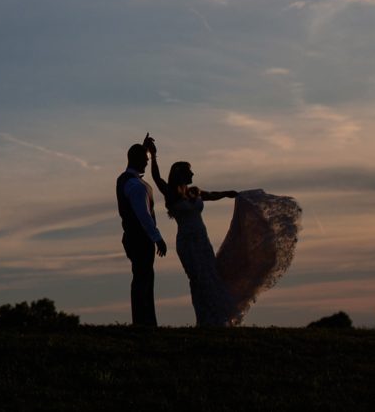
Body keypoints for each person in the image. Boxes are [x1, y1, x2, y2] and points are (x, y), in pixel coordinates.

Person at [145, 135, 303, 326]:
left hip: (202, 241)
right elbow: (156, 177)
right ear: (180, 174)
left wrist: (230, 194)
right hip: (187, 242)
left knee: (211, 276)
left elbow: (211, 195)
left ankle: (214, 319)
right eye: (189, 171)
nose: (193, 174)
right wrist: (153, 155)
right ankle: (204, 319)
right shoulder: (171, 193)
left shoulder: (193, 192)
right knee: (198, 280)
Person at [116, 135, 167, 326]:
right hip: (140, 238)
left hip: (132, 237)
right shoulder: (135, 185)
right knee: (143, 278)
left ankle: (145, 321)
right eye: (145, 160)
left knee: (144, 276)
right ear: (137, 160)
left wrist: (146, 148)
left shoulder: (126, 180)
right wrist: (157, 237)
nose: (146, 163)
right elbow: (143, 215)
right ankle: (143, 321)